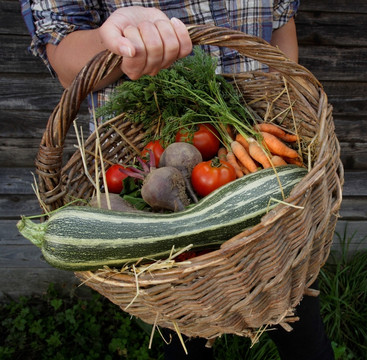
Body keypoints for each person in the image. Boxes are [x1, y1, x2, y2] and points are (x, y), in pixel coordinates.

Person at [21, 1, 335, 359]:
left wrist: (282, 107)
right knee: (184, 337)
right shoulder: (159, 174)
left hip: (256, 156)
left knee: (301, 327)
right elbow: (66, 65)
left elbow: (281, 29)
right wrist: (121, 43)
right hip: (146, 145)